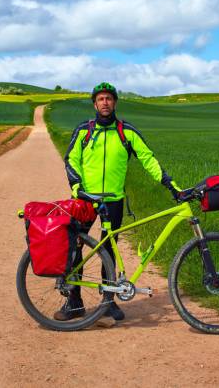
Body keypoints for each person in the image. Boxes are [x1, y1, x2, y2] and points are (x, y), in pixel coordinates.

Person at [54, 82, 182, 322]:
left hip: (113, 201)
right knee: (76, 247)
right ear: (95, 104)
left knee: (109, 250)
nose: (105, 102)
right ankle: (74, 302)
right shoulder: (84, 130)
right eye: (100, 99)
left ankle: (108, 301)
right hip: (85, 199)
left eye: (109, 99)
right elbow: (71, 160)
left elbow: (148, 159)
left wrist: (170, 184)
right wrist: (77, 188)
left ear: (115, 103)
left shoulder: (127, 132)